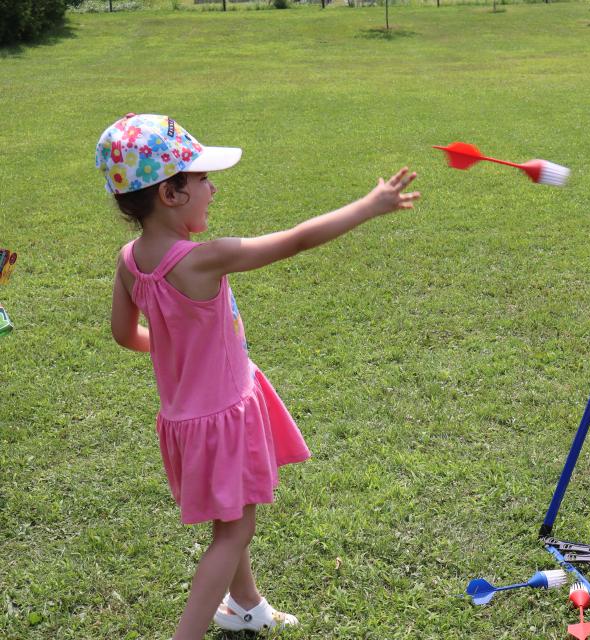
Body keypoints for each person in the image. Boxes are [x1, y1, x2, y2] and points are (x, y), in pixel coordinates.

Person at [97, 113, 419, 639]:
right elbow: (294, 241)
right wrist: (370, 205)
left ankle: (245, 605)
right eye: (202, 180)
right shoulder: (205, 260)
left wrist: (187, 350)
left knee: (229, 519)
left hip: (183, 420)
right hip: (221, 418)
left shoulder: (130, 260)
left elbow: (123, 333)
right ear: (170, 195)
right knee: (236, 531)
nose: (212, 188)